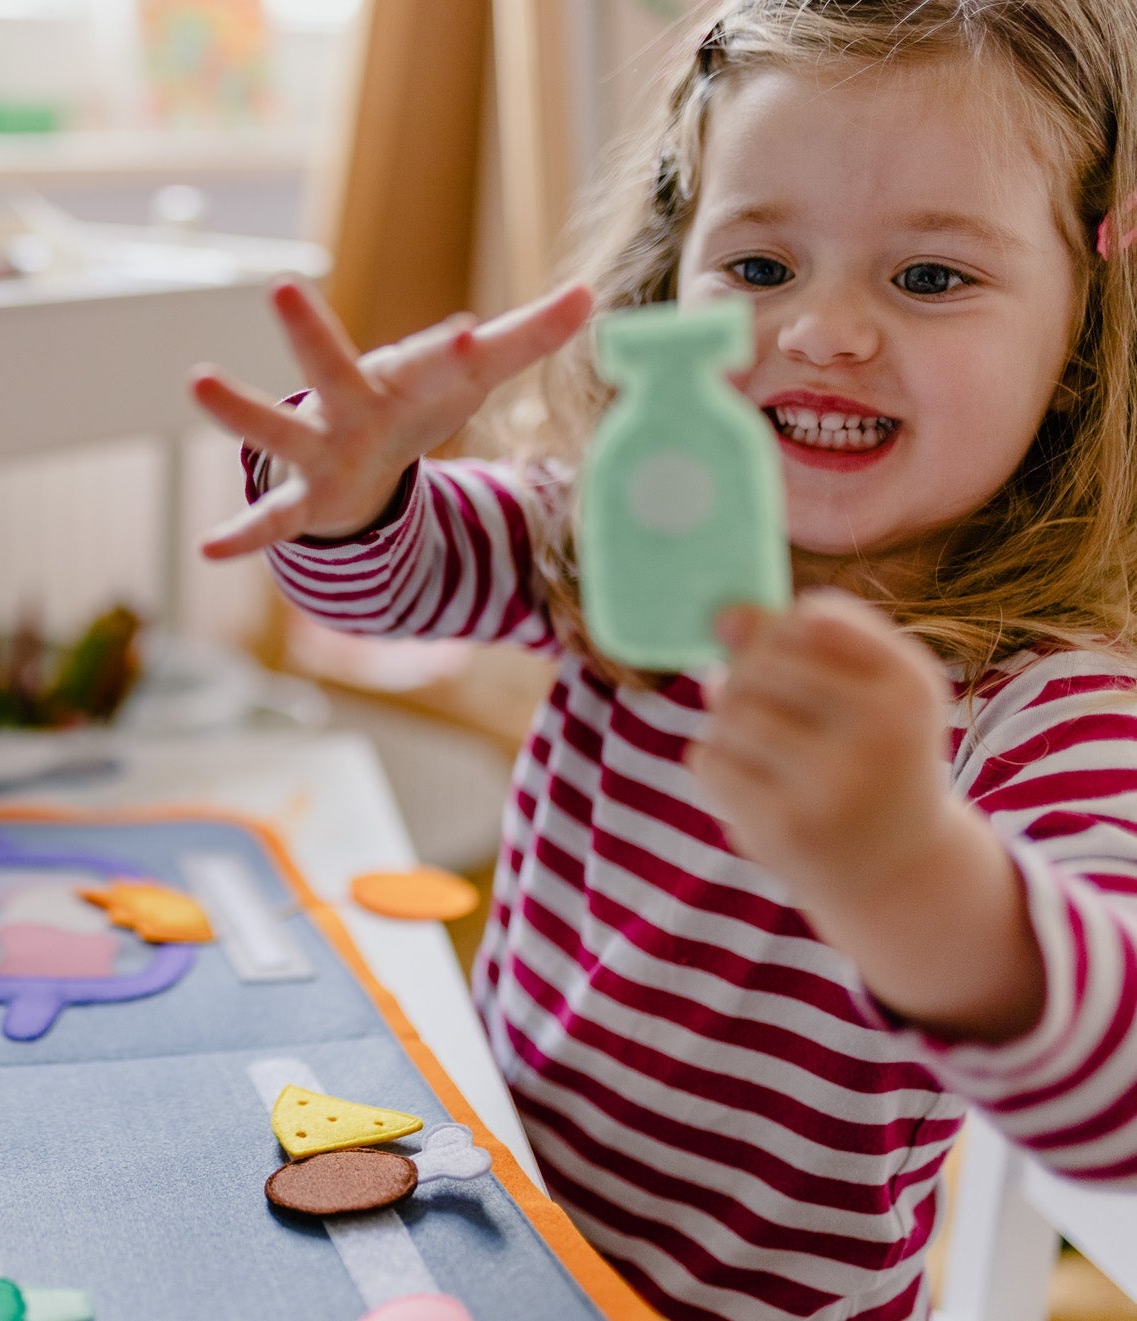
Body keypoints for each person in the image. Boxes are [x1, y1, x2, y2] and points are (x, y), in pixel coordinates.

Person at [189, 2, 1137, 1317]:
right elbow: (383, 575)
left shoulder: (1040, 706)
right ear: (670, 275)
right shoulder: (612, 533)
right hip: (494, 1228)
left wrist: (915, 868)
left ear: (1082, 335)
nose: (824, 333)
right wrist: (351, 485)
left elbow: (1118, 1100)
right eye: (759, 267)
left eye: (929, 276)